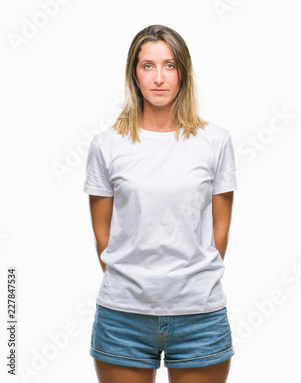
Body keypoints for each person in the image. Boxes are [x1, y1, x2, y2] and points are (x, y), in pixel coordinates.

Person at [83, 24, 237, 383]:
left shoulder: (215, 141)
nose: (158, 77)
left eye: (169, 65)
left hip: (200, 316)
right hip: (123, 317)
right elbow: (102, 234)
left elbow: (221, 228)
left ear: (183, 71)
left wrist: (189, 283)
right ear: (134, 74)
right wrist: (137, 284)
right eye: (147, 65)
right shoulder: (107, 145)